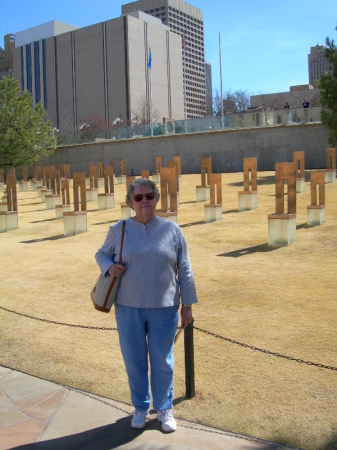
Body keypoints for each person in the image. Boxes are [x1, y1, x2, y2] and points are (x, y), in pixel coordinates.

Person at [95, 178, 198, 433]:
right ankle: (141, 406)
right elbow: (101, 254)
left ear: (156, 199)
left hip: (164, 307)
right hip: (128, 306)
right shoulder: (118, 229)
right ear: (131, 202)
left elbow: (184, 268)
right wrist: (110, 266)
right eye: (138, 197)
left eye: (149, 196)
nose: (144, 202)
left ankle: (164, 408)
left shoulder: (172, 230)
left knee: (163, 359)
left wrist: (188, 305)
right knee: (134, 359)